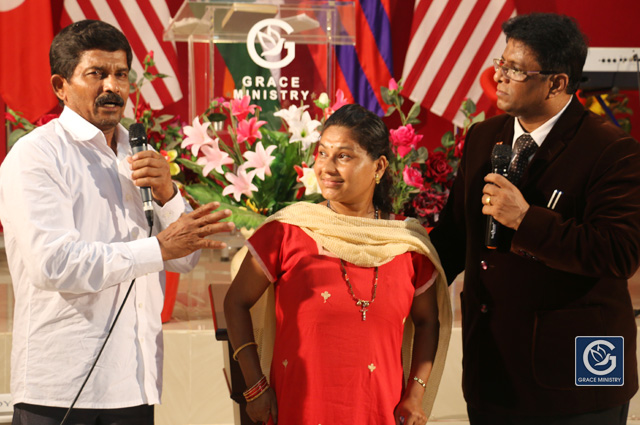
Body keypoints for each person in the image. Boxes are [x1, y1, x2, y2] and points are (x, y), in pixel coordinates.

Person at [0, 20, 234, 425]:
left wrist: (168, 194)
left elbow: (181, 262)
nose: (113, 86)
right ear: (61, 86)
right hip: (62, 387)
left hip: (134, 381)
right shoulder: (36, 156)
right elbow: (53, 263)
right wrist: (158, 248)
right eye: (97, 74)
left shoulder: (139, 153)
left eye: (121, 74)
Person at [429, 12, 640, 425]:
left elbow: (619, 253)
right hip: (491, 372)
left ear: (557, 83)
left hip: (578, 377)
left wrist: (526, 221)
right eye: (500, 64)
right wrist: (392, 265)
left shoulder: (611, 149)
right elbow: (455, 237)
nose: (499, 77)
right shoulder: (483, 137)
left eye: (514, 69)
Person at [224, 104, 452, 425]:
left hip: (378, 413)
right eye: (322, 153)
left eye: (343, 156)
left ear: (379, 166)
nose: (326, 167)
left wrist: (415, 396)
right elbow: (235, 302)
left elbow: (429, 323)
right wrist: (256, 388)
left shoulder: (406, 244)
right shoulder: (288, 230)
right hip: (298, 411)